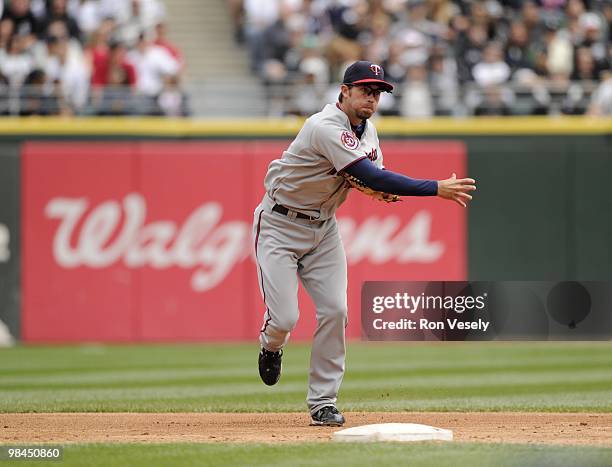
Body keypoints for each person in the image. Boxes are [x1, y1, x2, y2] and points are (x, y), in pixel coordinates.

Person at [253, 60, 476, 426]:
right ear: (344, 91)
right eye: (365, 91)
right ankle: (271, 345)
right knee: (285, 318)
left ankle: (323, 402)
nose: (372, 99)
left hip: (324, 229)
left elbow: (373, 179)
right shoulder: (324, 125)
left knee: (336, 311)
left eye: (377, 93)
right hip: (279, 223)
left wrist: (376, 190)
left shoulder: (369, 133)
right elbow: (370, 174)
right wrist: (435, 188)